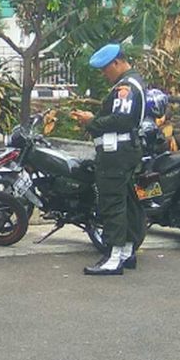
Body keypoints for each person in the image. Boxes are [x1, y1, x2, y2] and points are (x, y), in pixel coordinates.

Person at [72, 43, 146, 276]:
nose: (104, 74)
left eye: (105, 69)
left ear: (117, 62)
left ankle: (113, 257)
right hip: (126, 152)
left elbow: (121, 121)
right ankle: (125, 252)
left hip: (116, 154)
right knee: (127, 203)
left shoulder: (125, 87)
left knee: (112, 203)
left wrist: (91, 121)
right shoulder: (132, 82)